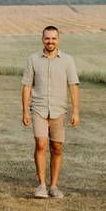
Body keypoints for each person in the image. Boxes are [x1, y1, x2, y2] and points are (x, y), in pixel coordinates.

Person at [21, 25, 80, 199]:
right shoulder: (33, 59)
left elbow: (73, 87)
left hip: (59, 110)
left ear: (58, 40)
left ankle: (54, 186)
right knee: (40, 144)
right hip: (38, 108)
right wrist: (25, 111)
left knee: (57, 148)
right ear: (42, 40)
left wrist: (76, 112)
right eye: (47, 38)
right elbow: (26, 87)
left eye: (53, 38)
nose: (50, 41)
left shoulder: (67, 60)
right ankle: (41, 185)